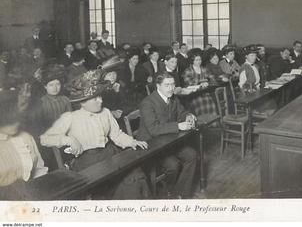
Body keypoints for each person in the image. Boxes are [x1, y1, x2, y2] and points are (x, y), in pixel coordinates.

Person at [40, 70, 150, 199]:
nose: (100, 100)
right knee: (111, 184)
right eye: (95, 98)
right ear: (83, 102)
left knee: (136, 175)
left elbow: (117, 135)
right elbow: (45, 139)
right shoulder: (71, 117)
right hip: (87, 161)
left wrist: (132, 142)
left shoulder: (106, 112)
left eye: (100, 96)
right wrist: (68, 140)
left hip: (110, 154)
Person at [138, 72, 197, 198]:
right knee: (173, 165)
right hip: (152, 145)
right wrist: (178, 126)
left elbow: (181, 112)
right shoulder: (147, 103)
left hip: (169, 141)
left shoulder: (173, 98)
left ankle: (180, 194)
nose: (171, 88)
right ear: (158, 86)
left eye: (173, 84)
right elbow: (153, 129)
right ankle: (170, 191)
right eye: (167, 85)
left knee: (192, 155)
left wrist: (188, 116)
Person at [0, 95, 48, 197]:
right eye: (11, 119)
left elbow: (40, 170)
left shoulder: (26, 137)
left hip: (32, 195)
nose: (17, 123)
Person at [183, 51, 218, 117]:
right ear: (192, 61)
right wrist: (201, 83)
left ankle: (210, 123)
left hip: (204, 93)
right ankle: (201, 123)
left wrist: (208, 82)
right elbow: (189, 82)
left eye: (200, 60)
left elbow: (213, 78)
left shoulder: (204, 69)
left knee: (211, 103)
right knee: (200, 103)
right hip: (193, 95)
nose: (199, 61)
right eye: (196, 60)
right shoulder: (188, 70)